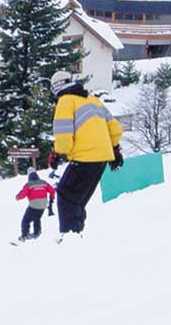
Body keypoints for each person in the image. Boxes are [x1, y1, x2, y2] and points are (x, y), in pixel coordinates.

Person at [51, 71, 123, 239]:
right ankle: (76, 234)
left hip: (84, 158)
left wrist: (58, 152)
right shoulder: (93, 100)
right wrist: (115, 150)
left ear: (56, 87)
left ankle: (70, 237)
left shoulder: (66, 100)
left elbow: (63, 133)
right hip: (101, 159)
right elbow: (115, 128)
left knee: (65, 195)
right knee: (78, 199)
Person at [15, 168, 56, 241]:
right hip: (44, 204)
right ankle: (37, 232)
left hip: (34, 204)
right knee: (36, 218)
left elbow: (22, 194)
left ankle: (24, 235)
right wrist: (51, 199)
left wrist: (17, 197)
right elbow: (52, 190)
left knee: (26, 220)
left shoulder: (29, 184)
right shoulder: (43, 182)